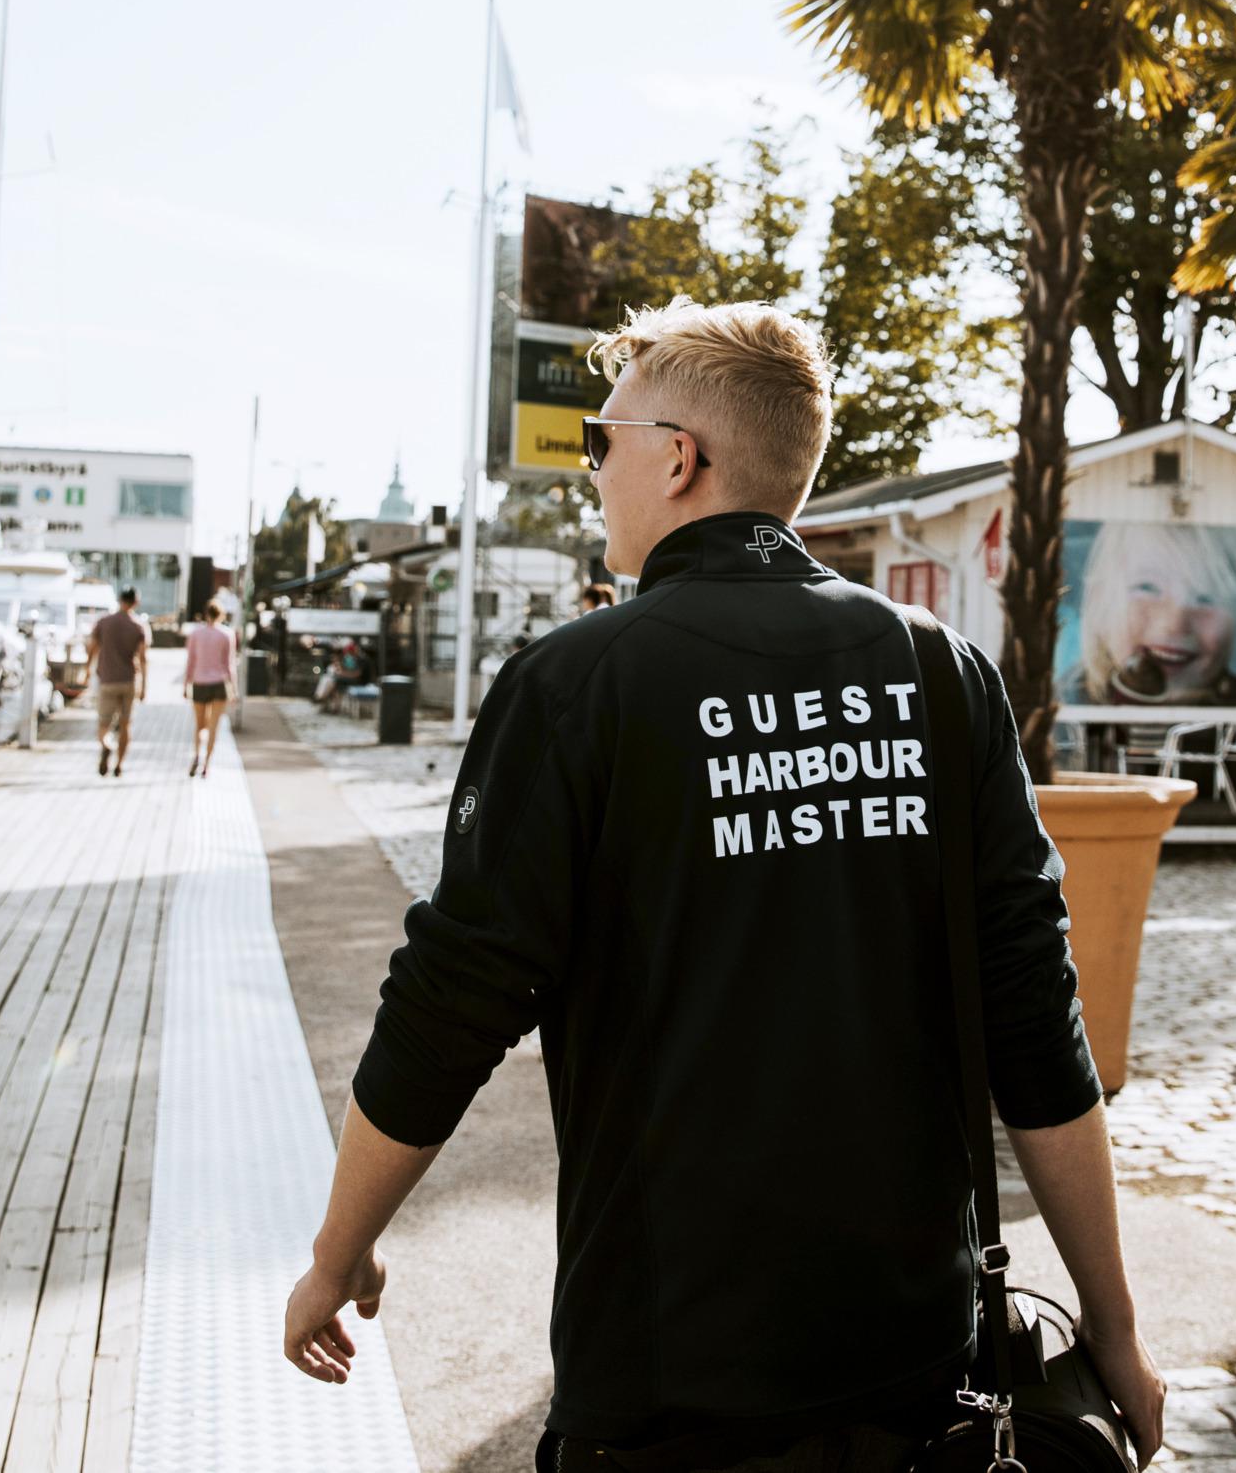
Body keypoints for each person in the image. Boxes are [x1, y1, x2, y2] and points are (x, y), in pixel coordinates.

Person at [284, 298, 1165, 1473]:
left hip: (668, 1379)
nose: (590, 473)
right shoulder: (938, 673)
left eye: (601, 443)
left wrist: (340, 1248)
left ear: (678, 457)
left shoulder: (574, 684)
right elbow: (1036, 1025)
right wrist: (1114, 1331)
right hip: (915, 1370)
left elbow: (448, 1001)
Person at [1066, 519, 1236, 706]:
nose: (1174, 623)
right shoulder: (1059, 711)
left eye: (1206, 599)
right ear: (1098, 598)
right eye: (1147, 588)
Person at [82, 584, 150, 777]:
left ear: (120, 600)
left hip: (107, 680)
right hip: (129, 680)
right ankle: (119, 764)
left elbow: (92, 648)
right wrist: (144, 686)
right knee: (125, 725)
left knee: (103, 724)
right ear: (136, 602)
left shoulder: (104, 622)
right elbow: (143, 658)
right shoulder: (138, 626)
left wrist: (87, 670)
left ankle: (106, 744)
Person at [183, 596, 236, 777]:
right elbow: (229, 664)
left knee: (199, 725)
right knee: (213, 726)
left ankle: (197, 754)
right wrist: (233, 689)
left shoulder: (196, 634)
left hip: (199, 682)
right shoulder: (226, 634)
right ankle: (206, 764)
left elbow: (190, 661)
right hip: (219, 684)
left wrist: (186, 685)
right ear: (221, 615)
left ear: (206, 614)